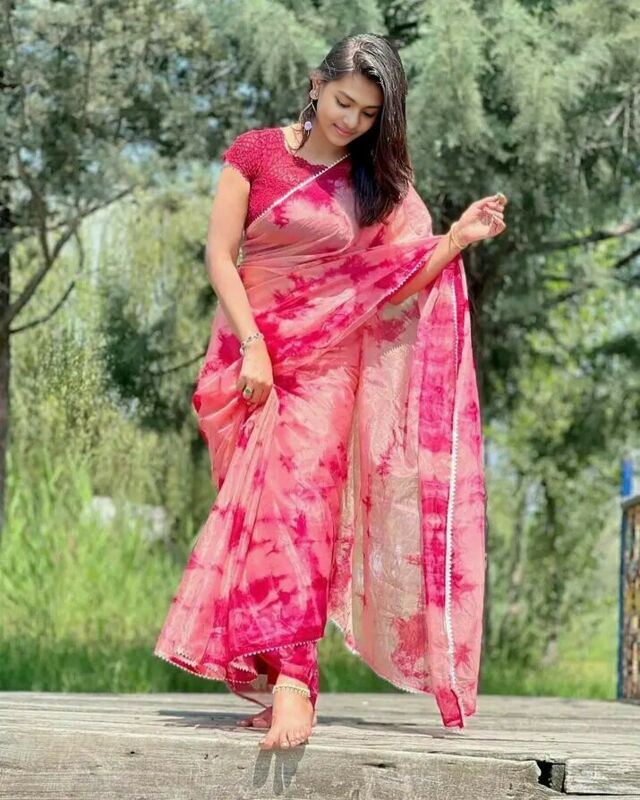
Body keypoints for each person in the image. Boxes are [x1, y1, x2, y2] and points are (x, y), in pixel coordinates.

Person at [154, 32, 507, 751]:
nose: (351, 121)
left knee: (301, 506)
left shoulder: (376, 185)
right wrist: (253, 346)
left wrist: (456, 240)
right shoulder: (256, 153)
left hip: (326, 365)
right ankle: (271, 669)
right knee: (257, 515)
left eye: (369, 113)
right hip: (248, 354)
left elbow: (388, 284)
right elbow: (220, 254)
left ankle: (296, 682)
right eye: (344, 101)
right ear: (316, 84)